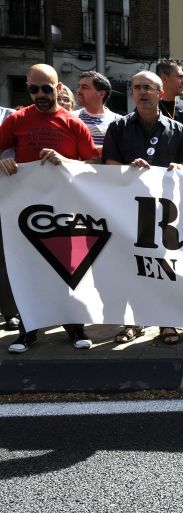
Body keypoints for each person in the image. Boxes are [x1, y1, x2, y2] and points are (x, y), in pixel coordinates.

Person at [0, 64, 100, 353]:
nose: (40, 95)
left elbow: (93, 163)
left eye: (46, 89)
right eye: (34, 89)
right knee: (28, 270)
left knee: (69, 269)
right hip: (25, 211)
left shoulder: (73, 123)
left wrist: (66, 162)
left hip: (66, 210)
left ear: (57, 88)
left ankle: (74, 326)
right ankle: (28, 329)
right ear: (28, 89)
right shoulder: (16, 120)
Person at [102, 70, 183, 345]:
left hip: (166, 213)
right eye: (137, 87)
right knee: (132, 266)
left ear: (161, 93)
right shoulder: (118, 127)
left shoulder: (178, 129)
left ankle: (167, 321)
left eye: (148, 87)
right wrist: (128, 169)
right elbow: (109, 165)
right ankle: (134, 321)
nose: (142, 92)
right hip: (129, 211)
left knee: (165, 266)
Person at [74, 70, 121, 150]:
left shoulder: (118, 121)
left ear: (102, 94)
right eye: (79, 86)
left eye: (84, 87)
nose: (78, 91)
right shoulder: (71, 118)